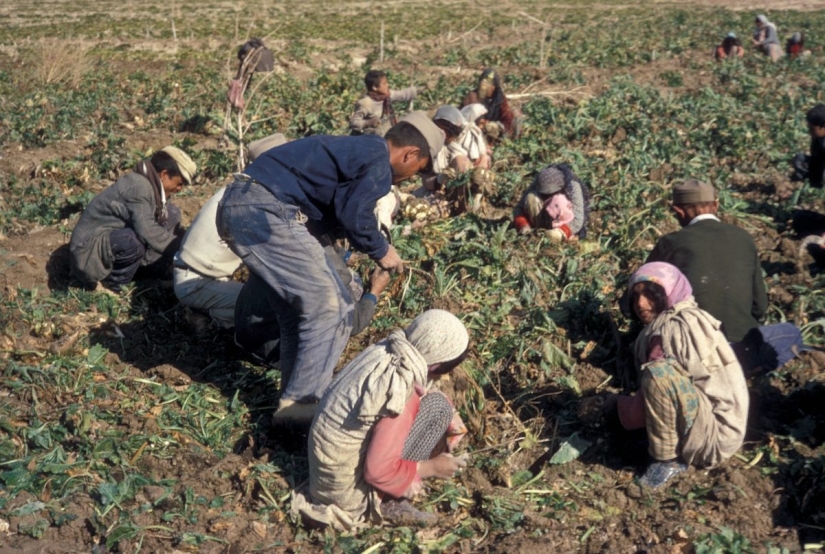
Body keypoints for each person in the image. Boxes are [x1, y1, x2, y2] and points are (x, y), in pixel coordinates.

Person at [217, 112, 444, 425]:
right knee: (332, 306)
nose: (410, 179)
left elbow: (333, 210)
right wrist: (382, 250)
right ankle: (303, 406)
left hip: (246, 205)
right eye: (416, 170)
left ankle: (293, 403)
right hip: (265, 209)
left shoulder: (358, 149)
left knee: (297, 310)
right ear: (410, 154)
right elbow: (355, 215)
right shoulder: (378, 161)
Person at [292, 309, 470, 529]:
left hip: (326, 471)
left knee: (439, 404)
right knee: (436, 408)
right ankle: (387, 501)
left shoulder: (390, 348)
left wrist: (450, 411)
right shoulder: (401, 391)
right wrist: (432, 467)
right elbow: (377, 471)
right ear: (436, 364)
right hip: (349, 492)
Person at [608, 263, 749, 488]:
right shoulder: (691, 315)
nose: (641, 304)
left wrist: (614, 408)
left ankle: (667, 460)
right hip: (727, 429)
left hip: (713, 436)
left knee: (658, 376)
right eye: (636, 296)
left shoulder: (671, 330)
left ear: (671, 293)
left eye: (651, 294)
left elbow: (650, 400)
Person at [173, 134, 287, 329]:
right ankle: (208, 316)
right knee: (268, 309)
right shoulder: (249, 199)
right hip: (196, 284)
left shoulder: (242, 188)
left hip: (195, 276)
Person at [70, 146, 196, 292]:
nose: (179, 189)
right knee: (131, 241)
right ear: (164, 175)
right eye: (179, 183)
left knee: (172, 214)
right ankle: (111, 284)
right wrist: (185, 249)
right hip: (88, 254)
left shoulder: (154, 189)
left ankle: (150, 270)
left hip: (111, 242)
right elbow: (147, 230)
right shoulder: (138, 187)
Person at [512, 164, 590, 241]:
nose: (547, 196)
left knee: (559, 201)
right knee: (532, 197)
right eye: (545, 194)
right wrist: (523, 224)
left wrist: (561, 232)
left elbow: (578, 218)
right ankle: (538, 232)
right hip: (542, 218)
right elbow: (519, 207)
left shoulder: (573, 186)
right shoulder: (538, 182)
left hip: (565, 220)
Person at [349, 70, 423, 136]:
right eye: (384, 84)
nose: (387, 85)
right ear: (374, 87)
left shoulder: (386, 96)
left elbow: (403, 94)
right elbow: (353, 123)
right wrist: (368, 123)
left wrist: (423, 88)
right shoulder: (366, 103)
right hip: (365, 139)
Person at [461, 68, 521, 141]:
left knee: (517, 117)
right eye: (483, 84)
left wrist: (498, 127)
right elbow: (468, 119)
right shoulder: (472, 97)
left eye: (489, 85)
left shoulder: (499, 98)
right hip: (475, 132)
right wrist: (484, 125)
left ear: (494, 87)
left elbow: (507, 118)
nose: (485, 88)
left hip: (496, 132)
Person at [227, 38, 275, 110]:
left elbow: (240, 58)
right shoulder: (266, 50)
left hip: (257, 77)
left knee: (243, 82)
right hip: (270, 75)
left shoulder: (248, 51)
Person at [792, 104, 825, 189]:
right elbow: (816, 159)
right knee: (800, 160)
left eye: (812, 129)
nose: (809, 132)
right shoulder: (818, 139)